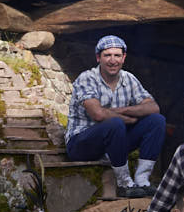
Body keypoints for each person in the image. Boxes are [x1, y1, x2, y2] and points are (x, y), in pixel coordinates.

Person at [65, 34, 164, 196]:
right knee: (115, 123)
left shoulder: (129, 79)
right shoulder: (87, 78)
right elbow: (98, 115)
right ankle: (124, 183)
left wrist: (121, 111)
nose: (113, 60)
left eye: (117, 55)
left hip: (114, 142)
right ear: (98, 58)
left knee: (157, 121)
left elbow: (153, 107)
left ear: (123, 58)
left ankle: (142, 180)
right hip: (81, 144)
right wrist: (128, 118)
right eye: (107, 55)